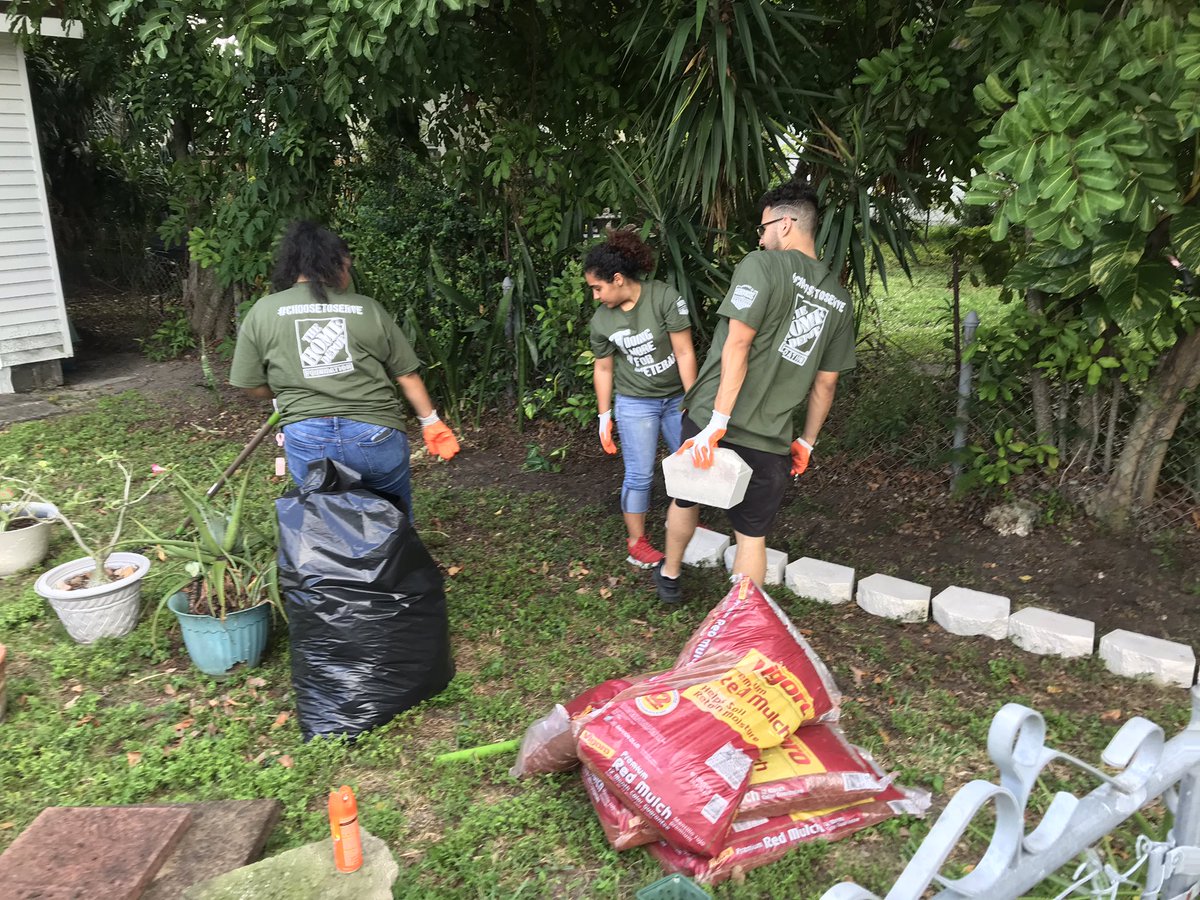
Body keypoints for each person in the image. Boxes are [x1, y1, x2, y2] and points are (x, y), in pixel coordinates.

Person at [653, 183, 856, 604]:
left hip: (713, 415)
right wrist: (806, 442)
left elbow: (738, 344)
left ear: (786, 223)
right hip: (772, 435)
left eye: (763, 228)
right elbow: (826, 382)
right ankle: (741, 622)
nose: (760, 238)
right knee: (752, 535)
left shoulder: (761, 266)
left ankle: (669, 576)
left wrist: (716, 425)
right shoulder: (839, 300)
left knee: (685, 499)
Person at [229, 220, 459, 516]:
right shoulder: (368, 308)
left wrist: (286, 387)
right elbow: (407, 374)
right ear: (331, 264)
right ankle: (397, 560)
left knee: (325, 524)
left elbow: (249, 384)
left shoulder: (263, 311)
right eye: (347, 267)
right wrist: (431, 422)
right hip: (375, 433)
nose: (348, 276)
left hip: (306, 435)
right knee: (392, 517)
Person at [586, 229, 697, 568]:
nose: (595, 296)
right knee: (639, 475)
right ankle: (637, 542)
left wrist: (692, 403)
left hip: (675, 398)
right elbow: (604, 369)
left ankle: (685, 521)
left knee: (691, 465)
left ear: (617, 279)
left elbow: (684, 352)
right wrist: (604, 415)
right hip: (635, 403)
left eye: (597, 288)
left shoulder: (663, 298)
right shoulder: (601, 320)